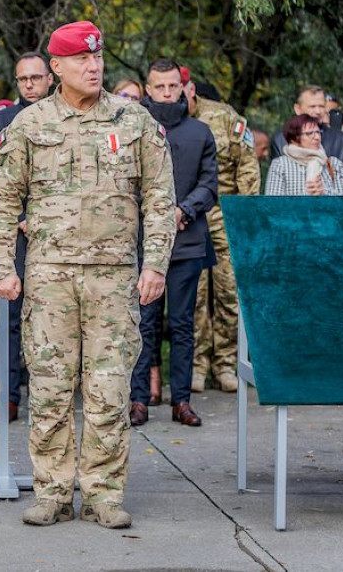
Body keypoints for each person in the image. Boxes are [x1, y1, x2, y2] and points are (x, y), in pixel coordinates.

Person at [0, 22, 176, 528]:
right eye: (80, 60)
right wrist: (3, 267)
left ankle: (103, 493)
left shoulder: (133, 120)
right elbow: (3, 202)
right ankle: (50, 490)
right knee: (49, 388)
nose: (93, 67)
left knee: (109, 388)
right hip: (49, 279)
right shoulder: (29, 125)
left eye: (97, 58)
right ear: (56, 67)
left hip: (115, 278)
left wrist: (156, 262)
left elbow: (160, 198)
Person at [129, 60, 217, 430]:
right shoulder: (134, 127)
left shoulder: (200, 132)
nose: (166, 93)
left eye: (172, 86)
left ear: (184, 88)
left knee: (182, 325)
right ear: (147, 90)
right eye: (159, 87)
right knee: (142, 324)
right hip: (141, 245)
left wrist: (184, 210)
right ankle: (137, 399)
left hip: (187, 243)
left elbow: (210, 184)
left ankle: (181, 400)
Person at [0, 52, 57, 423]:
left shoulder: (66, 118)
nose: (29, 85)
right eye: (22, 79)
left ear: (50, 79)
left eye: (35, 78)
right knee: (9, 321)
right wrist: (23, 217)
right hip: (16, 235)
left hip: (59, 235)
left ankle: (51, 401)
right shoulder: (1, 121)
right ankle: (8, 398)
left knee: (54, 321)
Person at [183, 68, 260, 394]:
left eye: (180, 88)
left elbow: (247, 164)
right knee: (195, 297)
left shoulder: (225, 116)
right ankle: (198, 364)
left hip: (226, 215)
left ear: (191, 88)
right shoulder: (161, 119)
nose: (175, 95)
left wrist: (247, 214)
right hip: (190, 218)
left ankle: (227, 363)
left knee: (228, 292)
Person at [270, 85, 343, 188]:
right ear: (298, 109)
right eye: (312, 107)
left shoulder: (341, 139)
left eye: (321, 106)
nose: (318, 111)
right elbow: (278, 181)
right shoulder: (281, 139)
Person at [265, 115, 343, 195]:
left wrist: (324, 193)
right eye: (310, 133)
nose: (317, 137)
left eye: (318, 132)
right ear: (294, 138)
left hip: (328, 212)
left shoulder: (334, 163)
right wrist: (307, 194)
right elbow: (272, 204)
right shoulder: (280, 164)